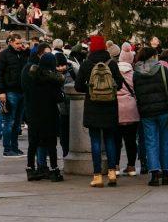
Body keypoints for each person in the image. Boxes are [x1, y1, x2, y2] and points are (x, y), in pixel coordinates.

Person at [74, 35, 123, 187]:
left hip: (93, 105)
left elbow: (77, 86)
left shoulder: (87, 63)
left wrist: (90, 89)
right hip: (110, 106)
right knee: (110, 140)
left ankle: (97, 176)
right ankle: (112, 172)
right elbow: (120, 84)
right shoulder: (112, 63)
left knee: (95, 141)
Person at [132, 46, 168, 186]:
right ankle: (167, 171)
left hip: (146, 111)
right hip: (162, 109)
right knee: (165, 140)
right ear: (153, 56)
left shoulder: (136, 72)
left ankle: (154, 173)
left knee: (151, 141)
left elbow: (136, 91)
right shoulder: (161, 68)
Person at [22, 50, 66, 181]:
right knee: (51, 143)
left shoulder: (32, 77)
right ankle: (54, 170)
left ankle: (31, 169)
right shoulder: (53, 80)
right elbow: (59, 98)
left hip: (34, 115)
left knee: (33, 143)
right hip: (49, 115)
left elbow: (27, 94)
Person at [0, 33, 29, 158]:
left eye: (21, 43)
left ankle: (15, 148)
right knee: (9, 121)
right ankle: (7, 149)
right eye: (17, 43)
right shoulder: (4, 55)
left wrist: (27, 51)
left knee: (17, 123)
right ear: (11, 42)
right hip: (10, 92)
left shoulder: (23, 54)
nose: (20, 46)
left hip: (22, 91)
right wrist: (2, 91)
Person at [115, 44, 141, 177]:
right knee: (131, 140)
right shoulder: (134, 74)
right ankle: (131, 167)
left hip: (116, 109)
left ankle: (116, 166)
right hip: (131, 109)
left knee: (116, 140)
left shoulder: (114, 72)